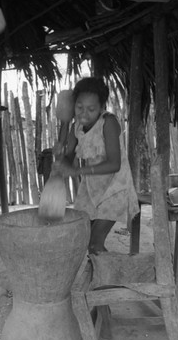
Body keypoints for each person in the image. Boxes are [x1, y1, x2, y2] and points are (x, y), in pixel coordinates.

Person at [53, 77, 139, 254]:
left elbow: (114, 164)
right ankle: (99, 277)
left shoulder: (108, 123)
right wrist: (61, 154)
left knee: (94, 244)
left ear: (101, 107)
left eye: (91, 109)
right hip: (92, 189)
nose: (84, 113)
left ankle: (105, 279)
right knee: (86, 241)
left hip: (115, 189)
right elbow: (68, 158)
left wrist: (76, 170)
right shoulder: (76, 127)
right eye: (79, 107)